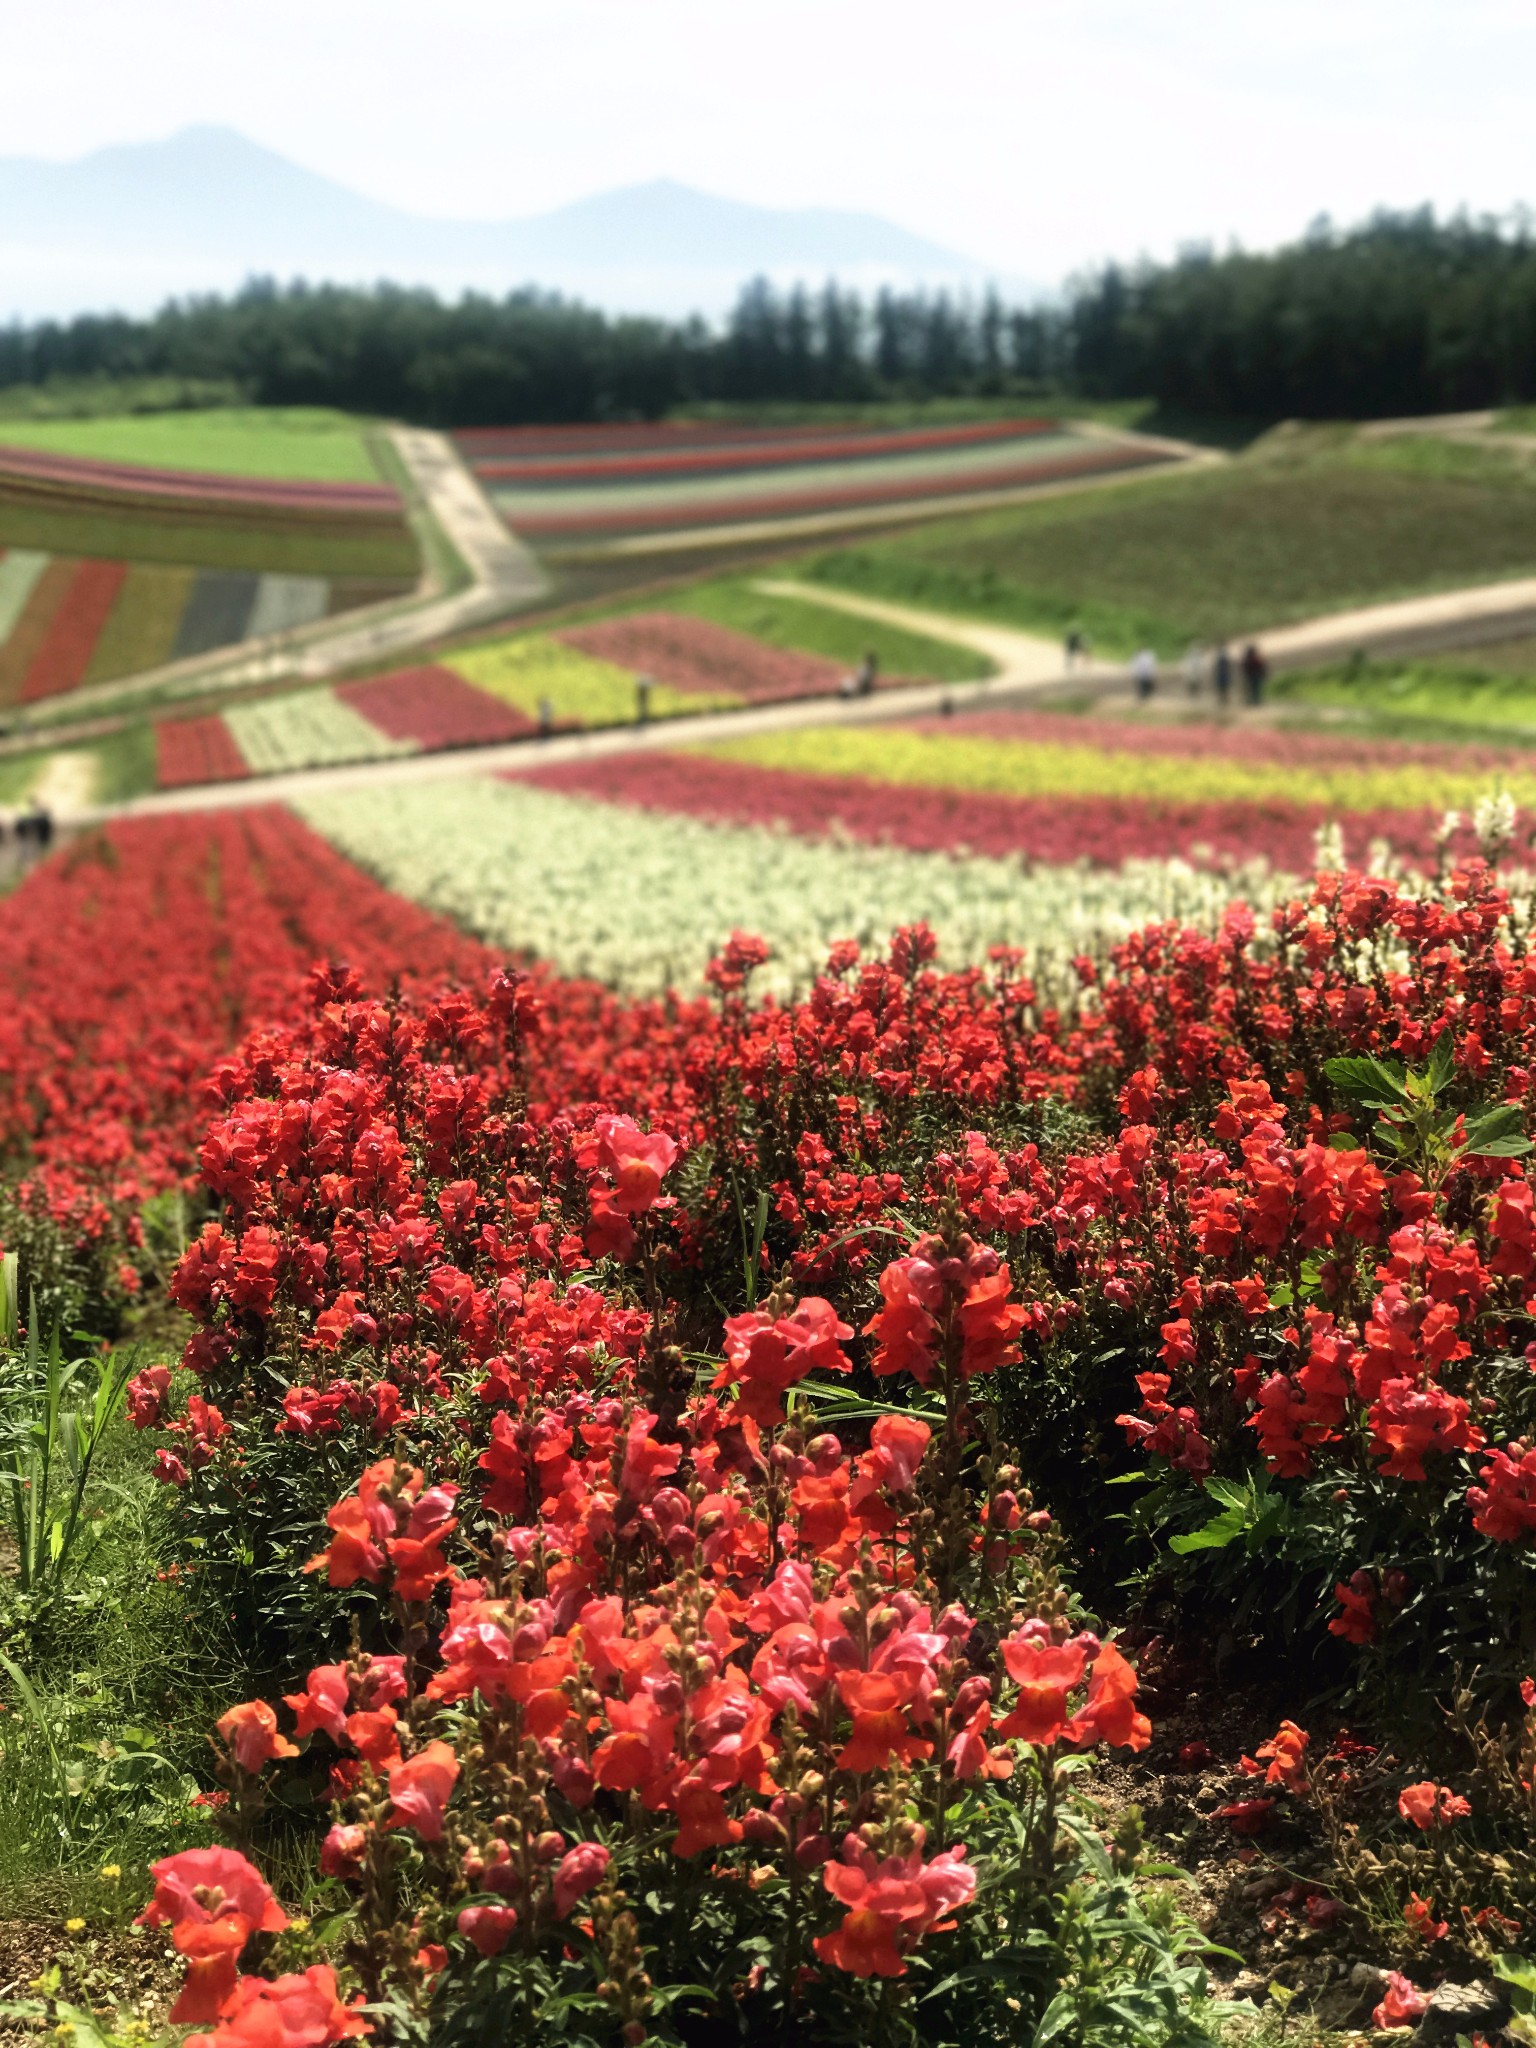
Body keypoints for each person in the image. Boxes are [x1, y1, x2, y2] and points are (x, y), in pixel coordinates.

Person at [1241, 642, 1268, 707]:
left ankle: (1253, 701)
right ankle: (1256, 701)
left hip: (1250, 676)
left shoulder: (1247, 659)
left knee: (1252, 689)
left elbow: (1243, 667)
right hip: (1256, 676)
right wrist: (1263, 674)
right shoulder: (1256, 658)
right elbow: (1262, 667)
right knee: (1256, 689)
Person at [1213, 643, 1233, 708]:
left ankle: (1222, 700)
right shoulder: (1225, 660)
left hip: (1222, 676)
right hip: (1224, 676)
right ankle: (1224, 700)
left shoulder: (1219, 660)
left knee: (1222, 689)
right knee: (1224, 689)